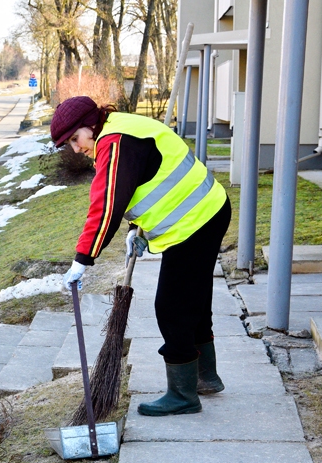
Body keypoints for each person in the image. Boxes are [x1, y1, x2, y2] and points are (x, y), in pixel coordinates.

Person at [52, 95, 231, 417]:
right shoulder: (123, 128)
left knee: (172, 308)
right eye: (70, 144)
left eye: (75, 139)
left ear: (89, 125)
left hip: (194, 222)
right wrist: (136, 229)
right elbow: (145, 180)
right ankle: (206, 376)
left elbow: (105, 207)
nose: (76, 149)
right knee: (194, 300)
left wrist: (82, 259)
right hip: (207, 212)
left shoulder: (115, 142)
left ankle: (183, 395)